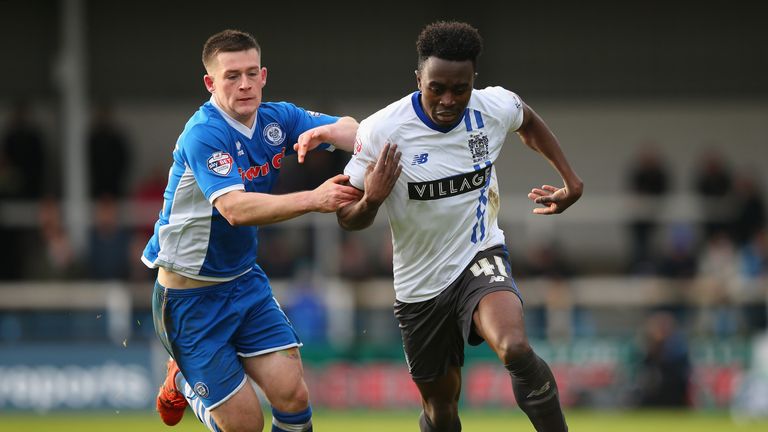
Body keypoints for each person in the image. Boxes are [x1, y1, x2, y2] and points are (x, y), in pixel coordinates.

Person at [337, 21, 581, 432]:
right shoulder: (381, 131)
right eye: (437, 88)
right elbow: (347, 219)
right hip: (419, 285)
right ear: (419, 80)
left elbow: (528, 122)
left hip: (479, 254)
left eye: (460, 88)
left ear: (473, 82)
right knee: (442, 409)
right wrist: (372, 198)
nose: (449, 100)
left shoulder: (493, 107)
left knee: (516, 348)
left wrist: (570, 181)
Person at [142, 29, 361, 432]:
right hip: (189, 299)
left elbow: (355, 131)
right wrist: (314, 199)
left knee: (293, 395)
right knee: (246, 426)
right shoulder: (204, 133)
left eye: (250, 73)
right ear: (210, 83)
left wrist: (329, 132)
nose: (244, 84)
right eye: (231, 76)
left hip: (244, 283)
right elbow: (235, 209)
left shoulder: (277, 118)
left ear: (263, 75)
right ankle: (182, 380)